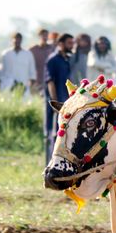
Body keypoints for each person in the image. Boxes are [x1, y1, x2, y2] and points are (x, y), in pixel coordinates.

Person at [44, 33, 74, 163]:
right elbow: (50, 82)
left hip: (64, 103)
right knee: (51, 134)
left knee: (60, 133)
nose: (71, 45)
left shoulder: (65, 60)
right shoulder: (53, 60)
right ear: (60, 44)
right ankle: (50, 163)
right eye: (69, 43)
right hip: (54, 104)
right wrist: (56, 104)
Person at [30, 29, 54, 94]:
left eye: (46, 35)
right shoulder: (33, 49)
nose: (45, 37)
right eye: (43, 35)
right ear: (39, 36)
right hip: (37, 80)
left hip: (49, 80)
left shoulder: (52, 49)